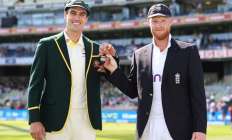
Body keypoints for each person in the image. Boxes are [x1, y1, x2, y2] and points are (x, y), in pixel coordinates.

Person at [103, 3, 207, 140]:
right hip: (147, 129)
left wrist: (200, 129)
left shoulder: (188, 52)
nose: (159, 25)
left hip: (179, 130)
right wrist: (113, 70)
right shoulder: (139, 54)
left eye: (163, 20)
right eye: (155, 21)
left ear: (170, 22)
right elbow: (132, 91)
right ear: (149, 23)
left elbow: (197, 94)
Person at [27, 0, 116, 140]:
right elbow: (35, 85)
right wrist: (34, 119)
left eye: (82, 14)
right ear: (65, 15)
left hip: (86, 120)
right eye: (73, 13)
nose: (77, 18)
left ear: (86, 19)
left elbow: (111, 73)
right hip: (54, 118)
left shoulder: (95, 48)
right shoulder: (47, 45)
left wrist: (113, 56)